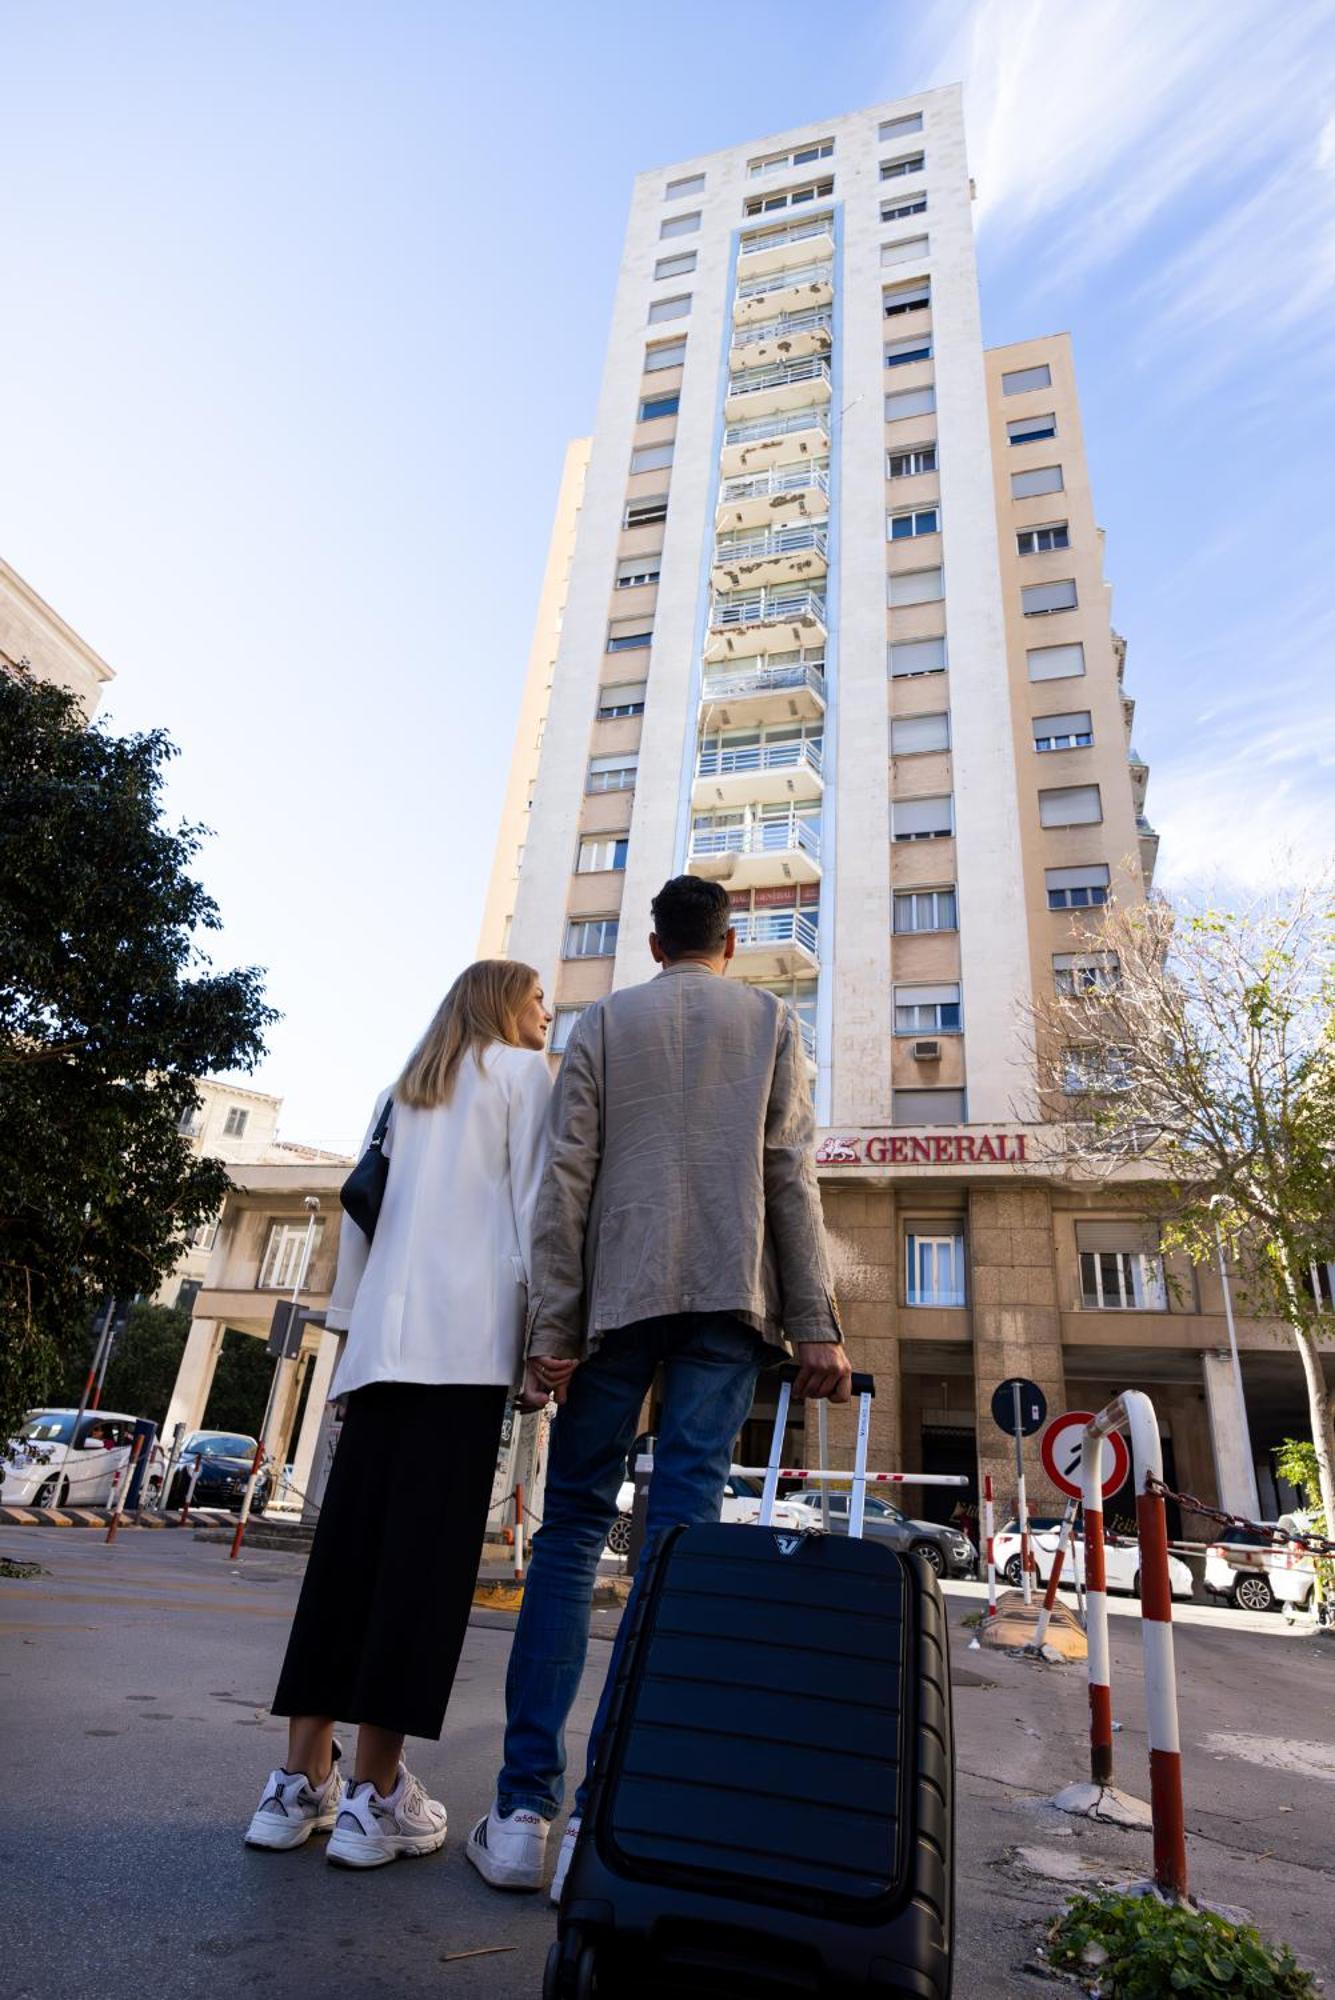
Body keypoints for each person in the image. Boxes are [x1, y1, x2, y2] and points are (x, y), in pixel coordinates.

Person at [465, 875, 852, 1898]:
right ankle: (613, 1815)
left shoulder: (601, 1024)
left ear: (651, 942)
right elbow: (788, 1172)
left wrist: (553, 1323)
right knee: (677, 1545)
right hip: (730, 1296)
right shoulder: (772, 1019)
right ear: (729, 943)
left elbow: (567, 1181)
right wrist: (814, 1321)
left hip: (614, 1299)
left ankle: (519, 1813)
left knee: (570, 1532)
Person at [243, 960, 553, 1868]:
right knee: (421, 1571)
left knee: (347, 1563)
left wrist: (346, 1341)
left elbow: (358, 1223)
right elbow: (537, 1213)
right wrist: (544, 1340)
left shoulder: (398, 1091)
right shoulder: (524, 1077)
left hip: (380, 1349)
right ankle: (377, 1794)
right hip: (464, 1355)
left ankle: (299, 1780)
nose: (547, 1015)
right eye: (538, 999)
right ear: (503, 1004)